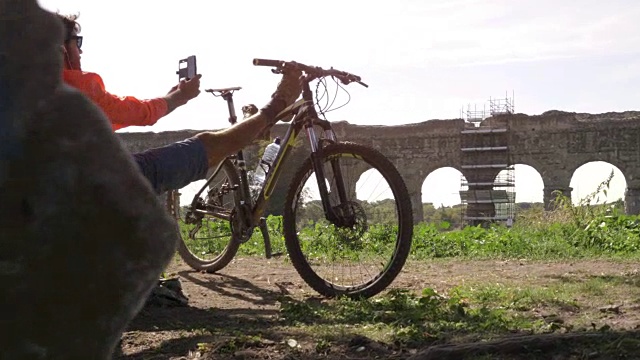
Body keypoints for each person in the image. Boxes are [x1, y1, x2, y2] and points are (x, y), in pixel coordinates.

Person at [57, 14, 301, 194]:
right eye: (77, 43)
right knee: (209, 145)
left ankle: (252, 128)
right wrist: (178, 98)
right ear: (61, 49)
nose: (81, 52)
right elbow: (141, 113)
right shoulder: (75, 87)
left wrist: (173, 97)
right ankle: (276, 106)